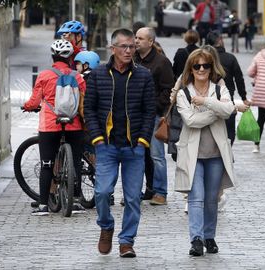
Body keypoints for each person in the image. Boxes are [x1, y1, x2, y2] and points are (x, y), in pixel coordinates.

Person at [84, 28, 155, 258]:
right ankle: (106, 226)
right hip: (107, 146)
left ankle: (127, 241)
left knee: (133, 198)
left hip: (134, 147)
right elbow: (90, 109)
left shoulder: (143, 75)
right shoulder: (97, 74)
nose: (128, 50)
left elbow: (149, 110)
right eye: (123, 46)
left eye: (132, 46)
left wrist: (143, 140)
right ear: (112, 48)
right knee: (102, 192)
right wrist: (97, 138)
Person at [174, 47, 247, 256]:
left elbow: (229, 109)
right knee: (196, 197)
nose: (202, 69)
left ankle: (209, 236)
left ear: (211, 66)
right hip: (193, 153)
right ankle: (196, 239)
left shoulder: (219, 88)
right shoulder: (183, 92)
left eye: (206, 65)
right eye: (197, 65)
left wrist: (206, 102)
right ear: (191, 68)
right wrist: (217, 112)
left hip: (216, 153)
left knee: (212, 198)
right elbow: (191, 120)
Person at [23, 40, 86, 215]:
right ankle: (74, 201)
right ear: (70, 57)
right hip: (73, 125)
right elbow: (83, 101)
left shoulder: (44, 75)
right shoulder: (78, 77)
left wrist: (27, 106)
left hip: (50, 125)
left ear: (53, 56)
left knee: (47, 164)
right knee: (76, 163)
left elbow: (34, 101)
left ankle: (43, 204)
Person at [134, 27, 174, 205]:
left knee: (156, 156)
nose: (136, 41)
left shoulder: (162, 62)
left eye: (140, 38)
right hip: (134, 116)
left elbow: (168, 90)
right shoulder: (131, 60)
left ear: (150, 42)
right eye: (135, 37)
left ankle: (160, 192)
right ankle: (136, 191)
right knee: (136, 155)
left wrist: (153, 106)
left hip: (154, 115)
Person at [205, 31, 249, 145]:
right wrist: (243, 97)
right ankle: (226, 152)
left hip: (208, 101)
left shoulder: (204, 59)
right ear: (220, 40)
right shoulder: (230, 58)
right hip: (228, 99)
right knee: (229, 133)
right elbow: (239, 78)